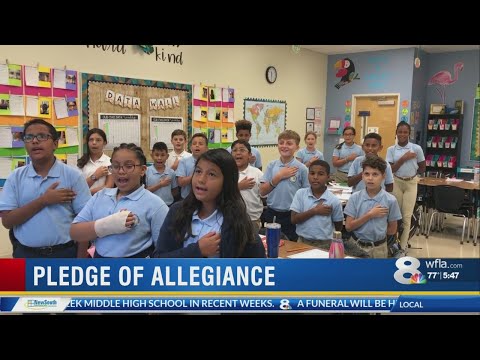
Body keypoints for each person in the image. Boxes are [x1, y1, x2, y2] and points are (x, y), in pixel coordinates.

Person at [0, 118, 91, 258]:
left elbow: (85, 222)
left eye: (42, 136)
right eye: (29, 137)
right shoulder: (15, 177)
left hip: (64, 254)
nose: (35, 141)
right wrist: (43, 200)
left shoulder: (74, 176)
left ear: (55, 143)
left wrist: (80, 260)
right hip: (25, 254)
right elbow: (7, 221)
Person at [153, 149, 265, 258]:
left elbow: (258, 268)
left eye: (211, 174)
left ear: (227, 181)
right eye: (198, 171)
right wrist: (198, 250)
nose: (201, 179)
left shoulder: (238, 220)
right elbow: (158, 260)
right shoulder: (177, 211)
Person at [70, 143, 169, 258]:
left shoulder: (156, 205)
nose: (121, 171)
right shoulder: (100, 196)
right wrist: (109, 224)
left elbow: (163, 251)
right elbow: (75, 232)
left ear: (142, 170)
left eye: (128, 166)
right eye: (116, 166)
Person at [344, 156, 402, 258]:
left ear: (383, 176)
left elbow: (392, 229)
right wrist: (370, 215)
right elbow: (348, 227)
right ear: (362, 176)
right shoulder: (355, 198)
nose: (370, 178)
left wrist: (379, 234)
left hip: (378, 248)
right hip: (355, 245)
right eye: (367, 174)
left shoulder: (390, 200)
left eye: (375, 174)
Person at [260, 130, 309, 241]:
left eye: (289, 143)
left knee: (291, 244)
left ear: (297, 147)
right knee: (272, 244)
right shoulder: (272, 165)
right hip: (272, 213)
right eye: (281, 143)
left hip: (292, 215)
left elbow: (306, 195)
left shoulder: (301, 168)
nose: (284, 146)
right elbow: (262, 191)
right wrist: (278, 177)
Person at [386, 121, 425, 255]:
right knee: (396, 215)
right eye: (400, 131)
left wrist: (413, 174)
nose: (402, 134)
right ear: (396, 132)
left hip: (411, 183)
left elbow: (422, 167)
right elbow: (390, 169)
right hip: (396, 181)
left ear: (409, 133)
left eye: (405, 132)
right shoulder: (391, 149)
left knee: (406, 216)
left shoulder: (416, 148)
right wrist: (404, 158)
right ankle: (393, 244)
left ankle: (402, 248)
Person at [290, 160, 344, 252]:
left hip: (325, 244)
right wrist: (315, 211)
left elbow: (338, 226)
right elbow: (294, 219)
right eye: (312, 173)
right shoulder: (300, 194)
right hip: (302, 242)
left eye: (321, 174)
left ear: (328, 176)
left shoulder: (333, 200)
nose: (315, 177)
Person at [232, 139, 264, 235]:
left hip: (252, 220)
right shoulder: (226, 173)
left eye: (242, 150)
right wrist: (238, 187)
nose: (238, 153)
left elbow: (263, 194)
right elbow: (221, 193)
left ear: (249, 155)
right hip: (232, 220)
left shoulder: (257, 173)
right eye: (234, 150)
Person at [77, 128, 114, 195]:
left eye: (98, 140)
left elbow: (109, 187)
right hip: (83, 202)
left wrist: (88, 192)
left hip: (102, 201)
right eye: (91, 140)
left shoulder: (109, 162)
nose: (94, 143)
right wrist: (95, 175)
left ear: (104, 143)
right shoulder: (81, 162)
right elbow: (78, 187)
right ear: (87, 143)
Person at [176, 132, 208, 199]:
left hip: (205, 198)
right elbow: (180, 182)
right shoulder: (183, 161)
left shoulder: (210, 163)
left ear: (206, 148)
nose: (197, 145)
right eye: (194, 144)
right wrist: (196, 175)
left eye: (200, 144)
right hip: (186, 198)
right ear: (191, 147)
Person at [146, 141, 178, 206]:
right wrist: (160, 185)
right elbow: (145, 192)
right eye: (157, 155)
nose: (159, 158)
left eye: (163, 155)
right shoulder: (147, 171)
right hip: (151, 206)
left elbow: (175, 191)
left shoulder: (171, 172)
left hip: (168, 205)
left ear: (167, 156)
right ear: (152, 156)